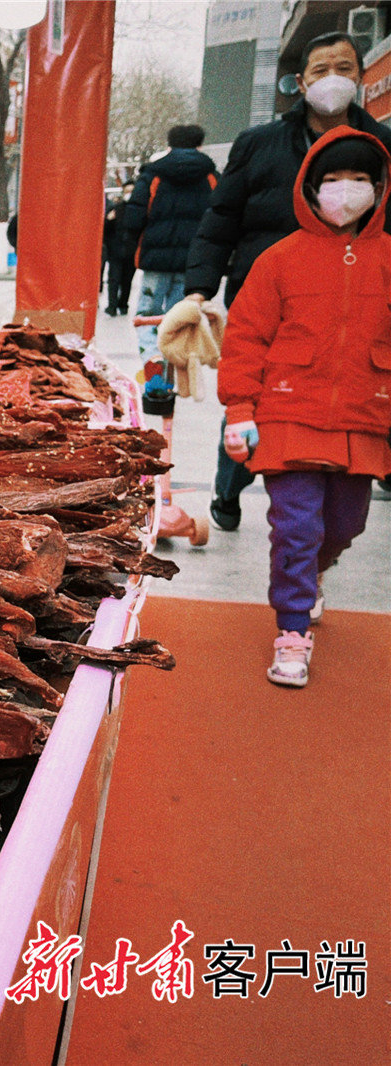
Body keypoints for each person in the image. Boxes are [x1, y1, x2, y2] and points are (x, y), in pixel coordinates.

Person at [183, 31, 391, 532]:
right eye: (321, 70)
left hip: (354, 297)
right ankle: (230, 488)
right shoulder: (260, 144)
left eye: (344, 67)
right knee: (252, 389)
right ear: (300, 83)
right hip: (268, 291)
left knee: (353, 386)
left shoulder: (382, 148)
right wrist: (198, 288)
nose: (333, 79)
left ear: (361, 78)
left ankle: (358, 479)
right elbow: (221, 219)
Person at [216, 127, 389, 687]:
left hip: (364, 419)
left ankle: (313, 573)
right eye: (333, 180)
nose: (346, 190)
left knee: (345, 524)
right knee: (295, 526)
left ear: (379, 188)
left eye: (359, 179)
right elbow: (245, 338)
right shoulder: (279, 259)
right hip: (287, 415)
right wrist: (240, 409)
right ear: (310, 190)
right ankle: (292, 628)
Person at [122, 126, 218, 415]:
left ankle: (154, 374)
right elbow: (220, 215)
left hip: (155, 261)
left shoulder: (154, 174)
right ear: (200, 144)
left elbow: (135, 213)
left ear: (169, 143)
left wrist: (129, 247)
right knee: (177, 318)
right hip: (192, 262)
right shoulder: (211, 176)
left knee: (146, 315)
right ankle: (173, 375)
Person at [101, 183, 135, 315]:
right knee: (114, 279)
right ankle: (112, 306)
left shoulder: (139, 211)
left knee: (127, 280)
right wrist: (108, 221)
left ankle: (123, 304)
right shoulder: (115, 209)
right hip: (116, 250)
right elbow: (105, 231)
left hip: (130, 250)